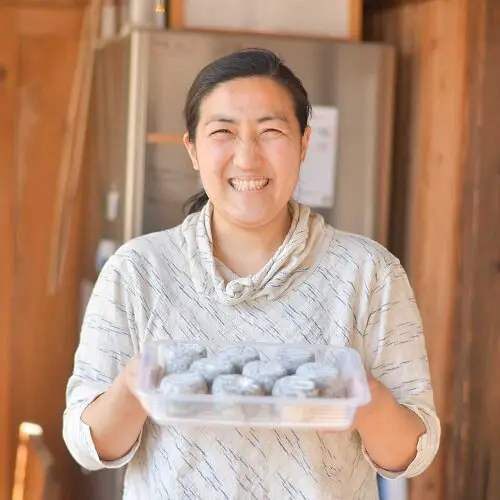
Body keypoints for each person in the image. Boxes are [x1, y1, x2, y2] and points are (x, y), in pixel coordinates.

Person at [63, 48, 440, 500]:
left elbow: (412, 453)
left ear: (303, 144)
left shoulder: (368, 272)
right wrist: (137, 382)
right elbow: (88, 445)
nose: (247, 157)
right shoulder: (138, 270)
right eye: (223, 131)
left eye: (271, 131)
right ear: (193, 149)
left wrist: (360, 392)